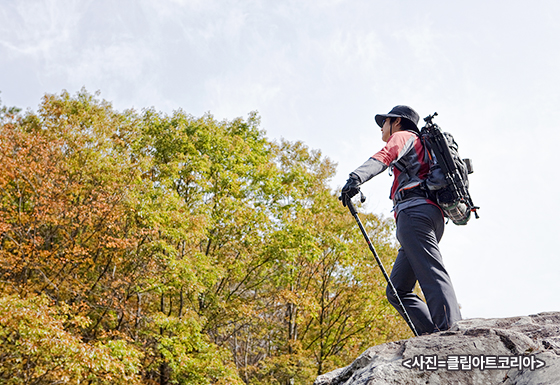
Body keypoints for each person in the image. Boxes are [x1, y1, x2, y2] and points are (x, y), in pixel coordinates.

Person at [339, 105, 462, 334]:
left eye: (384, 123)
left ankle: (452, 331)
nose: (381, 129)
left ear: (396, 122)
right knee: (397, 290)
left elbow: (385, 156)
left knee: (432, 272)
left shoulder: (403, 136)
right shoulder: (423, 145)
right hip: (429, 215)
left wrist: (355, 178)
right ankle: (433, 335)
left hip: (414, 213)